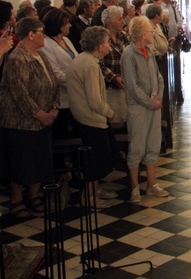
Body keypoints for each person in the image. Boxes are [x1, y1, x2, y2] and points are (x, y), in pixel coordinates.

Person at [0, 18, 59, 218]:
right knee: (21, 161)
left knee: (39, 160)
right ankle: (17, 200)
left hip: (44, 117)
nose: (44, 35)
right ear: (31, 35)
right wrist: (40, 114)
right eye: (41, 32)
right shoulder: (17, 58)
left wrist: (54, 108)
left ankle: (34, 195)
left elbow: (53, 82)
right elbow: (19, 93)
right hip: (21, 121)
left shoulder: (40, 54)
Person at [66, 26, 117, 207]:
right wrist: (110, 112)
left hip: (84, 117)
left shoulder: (83, 59)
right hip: (90, 119)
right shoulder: (89, 65)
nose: (109, 45)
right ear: (99, 45)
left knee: (95, 160)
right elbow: (95, 100)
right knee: (94, 161)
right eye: (107, 42)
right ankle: (88, 198)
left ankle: (95, 192)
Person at [121, 16, 168, 202]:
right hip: (138, 107)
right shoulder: (129, 54)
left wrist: (159, 97)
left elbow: (159, 77)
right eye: (150, 31)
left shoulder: (149, 50)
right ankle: (134, 187)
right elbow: (132, 86)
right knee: (137, 145)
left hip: (153, 105)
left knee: (152, 143)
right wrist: (150, 102)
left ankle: (151, 183)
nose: (153, 34)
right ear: (142, 34)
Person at [39, 9, 78, 148]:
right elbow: (54, 72)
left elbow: (76, 60)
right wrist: (76, 82)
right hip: (60, 97)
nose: (70, 26)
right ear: (57, 25)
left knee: (75, 134)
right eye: (66, 23)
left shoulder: (66, 40)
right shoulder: (47, 44)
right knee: (61, 135)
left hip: (74, 94)